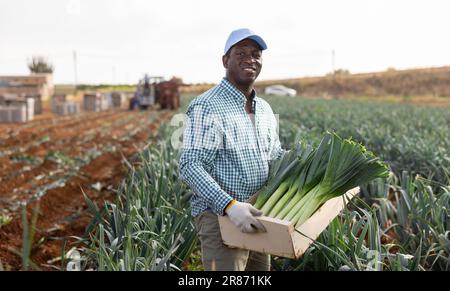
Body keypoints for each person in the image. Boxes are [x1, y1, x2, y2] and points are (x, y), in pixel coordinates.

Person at [179, 28, 285, 271]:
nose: (250, 59)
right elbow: (190, 165)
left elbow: (276, 156)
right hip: (221, 218)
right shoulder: (207, 105)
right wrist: (229, 205)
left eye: (256, 54)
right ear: (225, 60)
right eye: (241, 53)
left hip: (258, 214)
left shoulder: (266, 109)